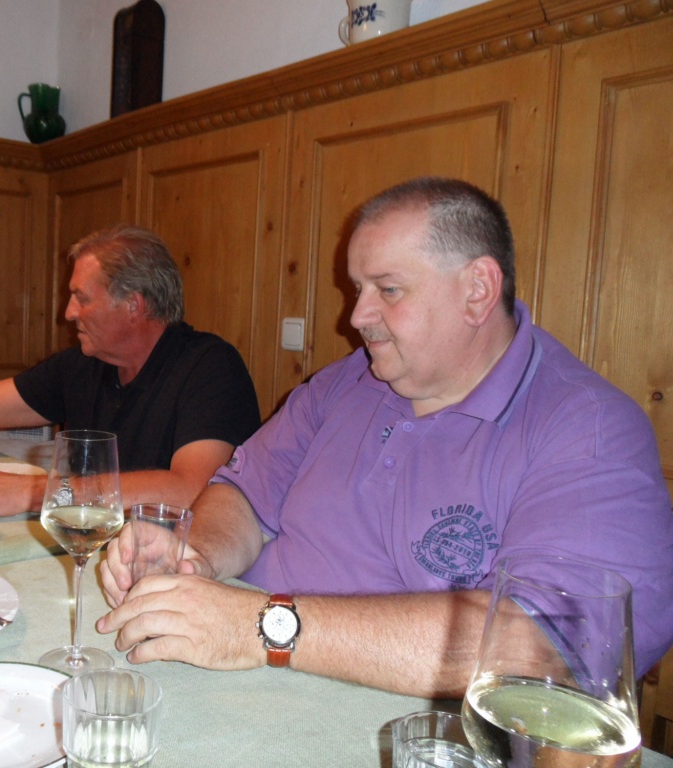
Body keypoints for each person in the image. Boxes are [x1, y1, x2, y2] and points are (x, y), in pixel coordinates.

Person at [98, 177, 673, 698]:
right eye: (358, 288)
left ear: (478, 290)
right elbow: (244, 494)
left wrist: (268, 627)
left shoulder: (589, 428)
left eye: (388, 290)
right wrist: (197, 556)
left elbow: (548, 647)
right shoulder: (347, 380)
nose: (357, 316)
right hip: (241, 669)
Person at [0, 224, 261, 519]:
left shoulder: (211, 368)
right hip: (95, 544)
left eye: (82, 298)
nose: (68, 313)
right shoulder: (84, 365)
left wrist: (36, 493)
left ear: (133, 305)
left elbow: (194, 490)